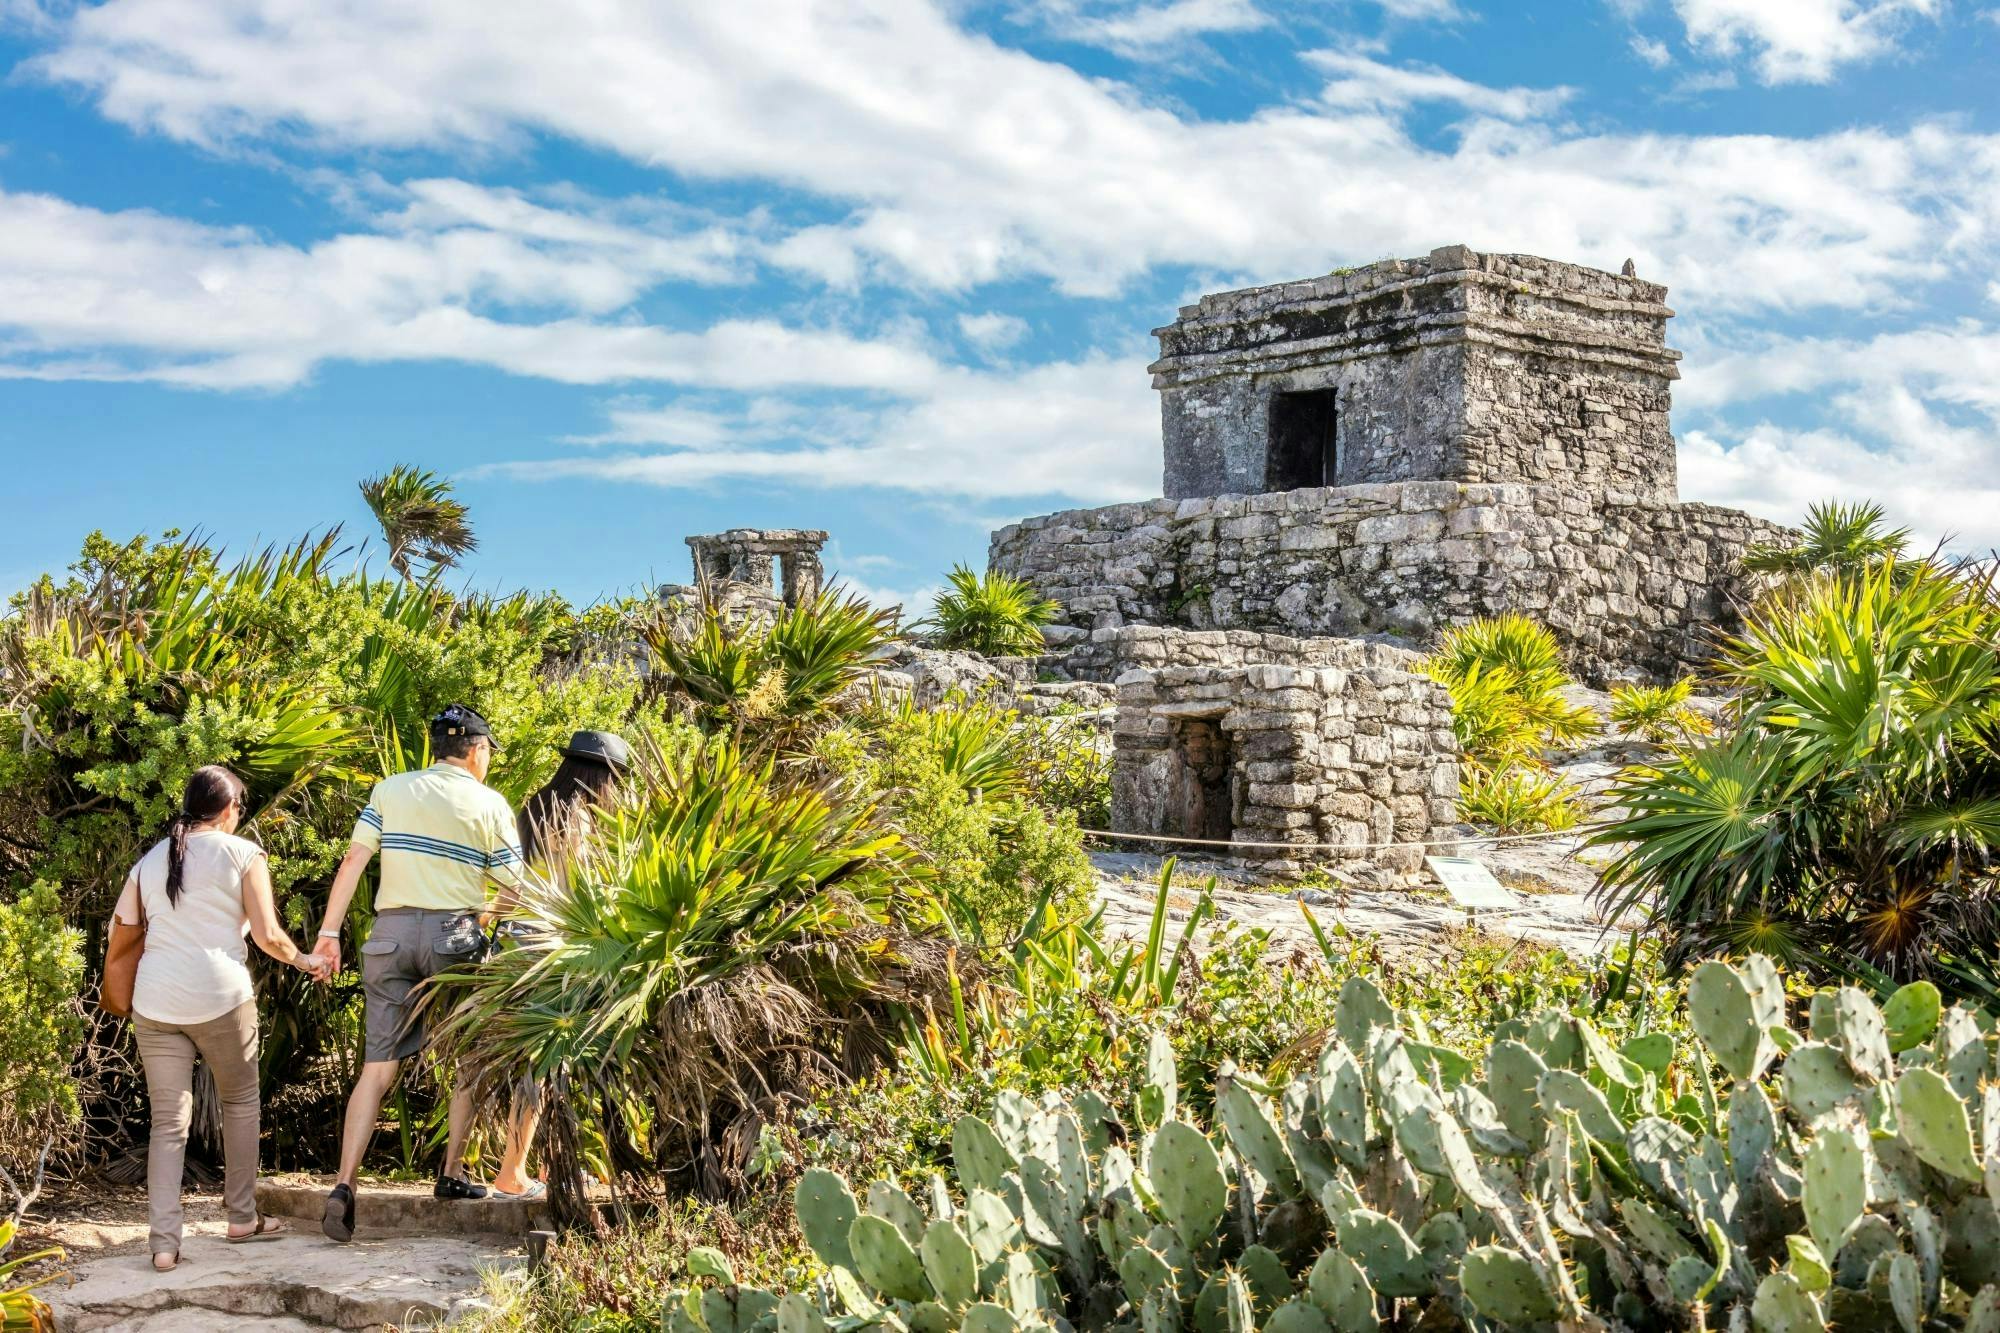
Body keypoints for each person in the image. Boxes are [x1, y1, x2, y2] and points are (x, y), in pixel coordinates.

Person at [309, 704, 539, 1241]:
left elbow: (353, 861)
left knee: (377, 1068)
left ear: (437, 749)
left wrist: (328, 933)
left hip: (388, 935)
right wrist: (478, 919)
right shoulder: (490, 803)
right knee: (468, 1057)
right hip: (452, 937)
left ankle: (344, 1184)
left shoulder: (391, 789)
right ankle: (452, 1173)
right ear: (478, 751)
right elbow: (514, 889)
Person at [111, 765, 330, 1272]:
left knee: (168, 1125)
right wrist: (306, 960)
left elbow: (123, 928)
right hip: (221, 998)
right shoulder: (243, 853)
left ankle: (163, 1244)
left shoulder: (151, 860)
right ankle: (240, 1217)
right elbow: (269, 937)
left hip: (156, 1001)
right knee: (240, 1102)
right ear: (230, 809)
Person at [485, 729, 635, 1200]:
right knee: (547, 1063)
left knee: (547, 1064)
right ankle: (513, 1170)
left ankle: (547, 1166)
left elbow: (514, 887)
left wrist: (488, 920)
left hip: (521, 945)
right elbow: (582, 894)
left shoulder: (535, 810)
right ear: (601, 778)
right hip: (556, 952)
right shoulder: (577, 824)